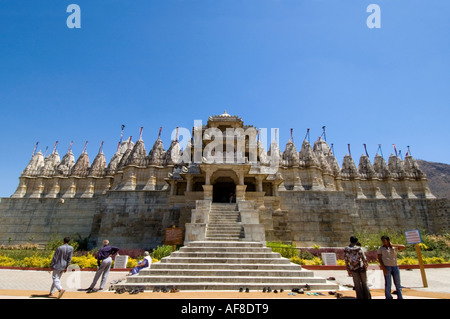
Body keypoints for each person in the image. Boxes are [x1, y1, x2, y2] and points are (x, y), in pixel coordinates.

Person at [377, 235, 405, 299]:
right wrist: (383, 267)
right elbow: (379, 258)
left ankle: (400, 296)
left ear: (388, 240)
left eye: (385, 240)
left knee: (398, 283)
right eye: (382, 240)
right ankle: (388, 296)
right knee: (388, 283)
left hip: (395, 266)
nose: (383, 242)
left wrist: (392, 245)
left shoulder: (394, 248)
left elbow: (403, 246)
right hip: (387, 266)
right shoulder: (381, 248)